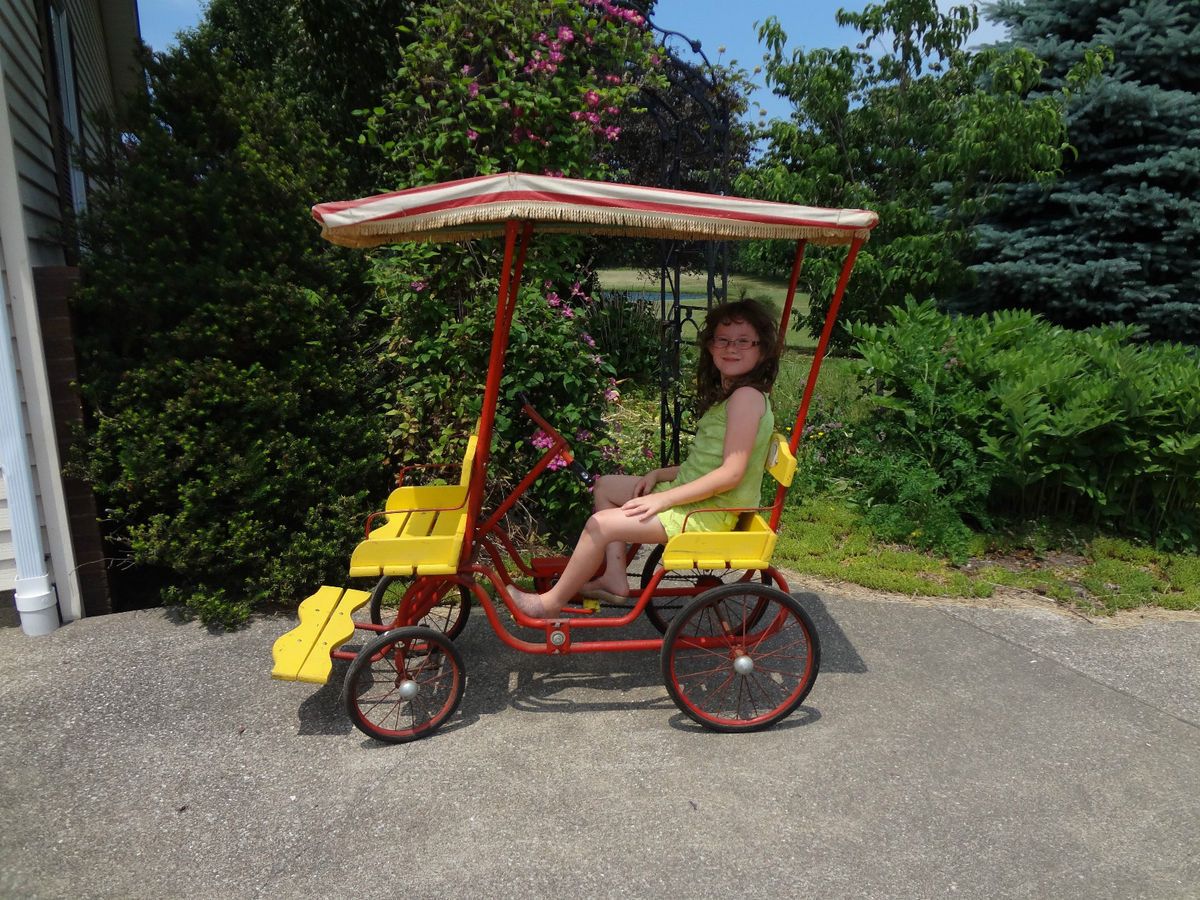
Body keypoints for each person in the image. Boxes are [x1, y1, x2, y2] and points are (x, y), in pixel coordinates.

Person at [510, 298, 780, 619]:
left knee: (600, 525)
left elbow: (730, 474)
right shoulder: (738, 396)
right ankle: (615, 577)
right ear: (710, 346)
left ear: (762, 350)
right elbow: (708, 464)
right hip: (699, 502)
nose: (731, 348)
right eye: (722, 339)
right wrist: (660, 474)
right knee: (606, 486)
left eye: (743, 341)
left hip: (705, 515)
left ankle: (548, 603)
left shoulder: (745, 399)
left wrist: (662, 500)